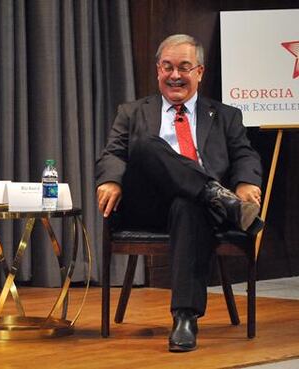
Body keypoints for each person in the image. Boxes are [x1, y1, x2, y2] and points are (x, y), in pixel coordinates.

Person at [95, 34, 263, 352]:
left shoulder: (226, 115)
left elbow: (245, 154)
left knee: (189, 203)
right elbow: (113, 153)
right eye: (168, 67)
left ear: (199, 72)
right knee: (144, 143)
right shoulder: (132, 112)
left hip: (195, 213)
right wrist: (111, 181)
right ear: (158, 69)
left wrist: (245, 184)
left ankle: (185, 318)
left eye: (184, 67)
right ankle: (217, 197)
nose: (175, 75)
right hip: (148, 207)